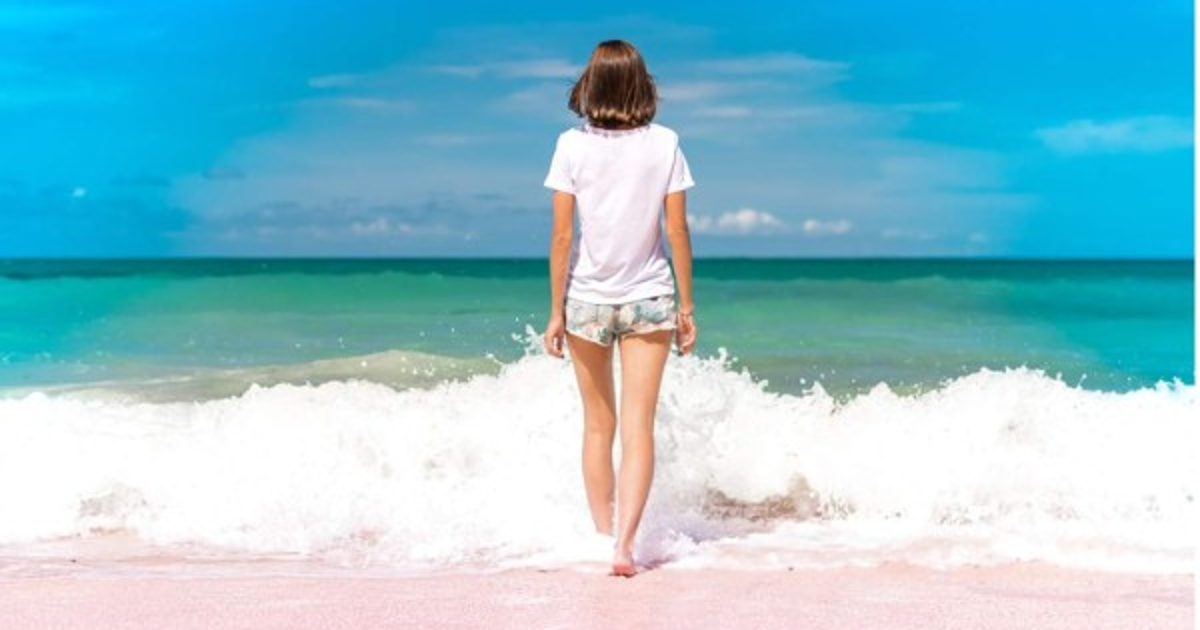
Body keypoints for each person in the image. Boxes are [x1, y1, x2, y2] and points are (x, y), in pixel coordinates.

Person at [541, 39, 697, 577]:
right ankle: (624, 548)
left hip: (586, 298)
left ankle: (601, 536)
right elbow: (677, 230)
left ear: (591, 84)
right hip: (650, 296)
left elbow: (563, 237)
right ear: (641, 84)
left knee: (597, 427)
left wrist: (556, 311)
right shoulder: (666, 143)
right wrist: (687, 305)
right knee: (638, 428)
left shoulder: (570, 145)